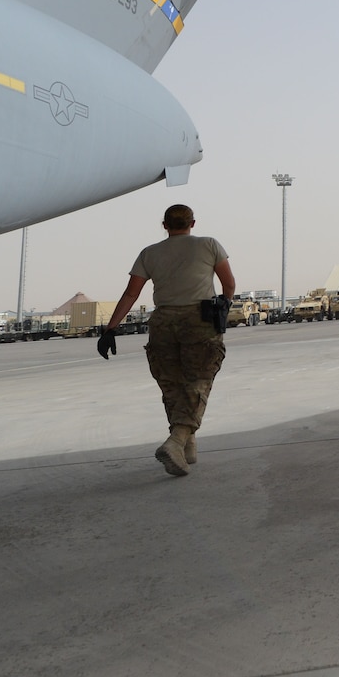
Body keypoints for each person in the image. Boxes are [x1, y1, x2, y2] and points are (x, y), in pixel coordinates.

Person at [98, 203, 235, 477]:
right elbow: (228, 284)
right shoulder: (209, 245)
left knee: (172, 384)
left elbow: (130, 294)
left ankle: (187, 445)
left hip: (163, 322)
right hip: (199, 320)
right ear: (192, 223)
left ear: (165, 226)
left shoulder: (149, 253)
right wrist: (223, 307)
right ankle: (177, 440)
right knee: (198, 382)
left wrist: (110, 329)